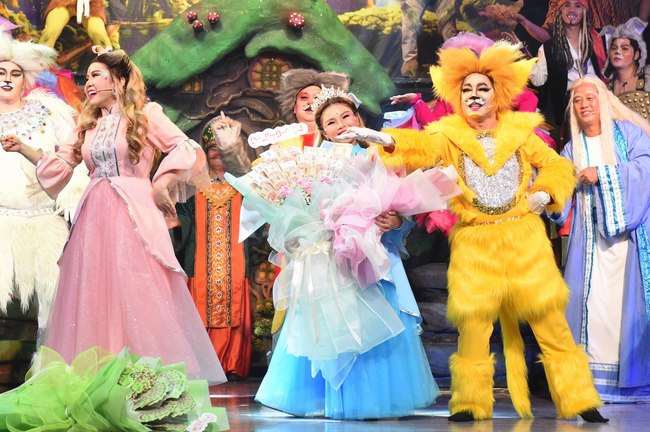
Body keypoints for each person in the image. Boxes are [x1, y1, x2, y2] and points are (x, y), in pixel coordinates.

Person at [348, 40, 607, 422]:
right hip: (474, 242)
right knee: (473, 325)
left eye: (482, 88)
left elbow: (556, 166)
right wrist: (386, 139)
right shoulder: (449, 134)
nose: (473, 95)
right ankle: (470, 401)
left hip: (523, 240)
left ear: (497, 92)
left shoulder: (521, 131)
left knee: (549, 320)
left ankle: (580, 399)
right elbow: (421, 147)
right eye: (467, 88)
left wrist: (544, 192)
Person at [0, 47, 226, 384]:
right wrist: (24, 148)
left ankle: (144, 380)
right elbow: (61, 165)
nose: (88, 83)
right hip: (94, 213)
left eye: (96, 75)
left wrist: (163, 182)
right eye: (87, 77)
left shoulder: (146, 114)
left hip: (133, 209)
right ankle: (98, 378)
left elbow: (185, 147)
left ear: (118, 80)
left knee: (136, 287)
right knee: (94, 290)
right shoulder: (88, 122)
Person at [254, 86, 439, 419]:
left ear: (358, 118)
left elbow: (402, 206)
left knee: (376, 326)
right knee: (328, 326)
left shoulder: (378, 156)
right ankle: (320, 398)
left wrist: (396, 221)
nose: (341, 125)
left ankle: (371, 398)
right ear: (323, 131)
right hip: (328, 260)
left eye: (346, 116)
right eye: (331, 122)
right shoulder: (309, 165)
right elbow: (298, 211)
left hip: (372, 259)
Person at [554, 77, 650, 402]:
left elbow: (645, 170)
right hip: (589, 243)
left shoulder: (629, 134)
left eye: (590, 98)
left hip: (628, 243)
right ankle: (589, 383)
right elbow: (559, 189)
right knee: (591, 307)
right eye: (577, 100)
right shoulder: (572, 149)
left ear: (604, 101)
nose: (584, 105)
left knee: (624, 308)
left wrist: (603, 174)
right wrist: (546, 194)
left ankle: (632, 382)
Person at [0, 34, 87, 338]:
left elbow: (76, 156)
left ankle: (47, 360)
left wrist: (73, 193)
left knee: (54, 302)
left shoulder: (48, 112)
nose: (7, 79)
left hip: (44, 220)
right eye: (1, 72)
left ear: (25, 79)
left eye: (15, 74)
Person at [174, 114, 252, 380]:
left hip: (235, 263)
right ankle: (204, 363)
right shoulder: (194, 186)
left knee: (235, 301)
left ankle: (232, 362)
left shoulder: (243, 184)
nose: (216, 153)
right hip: (201, 263)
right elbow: (183, 219)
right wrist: (175, 222)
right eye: (211, 149)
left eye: (221, 148)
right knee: (199, 304)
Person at [529, 0, 606, 131]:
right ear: (560, 11)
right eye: (567, 5)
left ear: (584, 11)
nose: (572, 10)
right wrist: (523, 54)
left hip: (601, 102)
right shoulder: (548, 48)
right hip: (570, 109)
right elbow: (538, 80)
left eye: (578, 6)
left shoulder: (600, 39)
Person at [601, 18, 650, 121]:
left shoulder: (648, 79)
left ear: (636, 54)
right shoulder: (606, 90)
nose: (617, 52)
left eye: (624, 48)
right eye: (614, 48)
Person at [39, 0, 112, 49]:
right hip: (63, 2)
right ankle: (39, 62)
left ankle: (110, 63)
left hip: (92, 4)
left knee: (98, 33)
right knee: (51, 30)